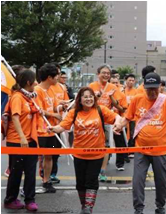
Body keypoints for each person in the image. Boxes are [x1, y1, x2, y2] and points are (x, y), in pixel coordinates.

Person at [114, 72, 166, 214]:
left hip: (161, 150)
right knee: (138, 181)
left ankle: (160, 207)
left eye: (155, 88)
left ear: (160, 87)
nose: (152, 92)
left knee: (162, 181)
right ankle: (138, 209)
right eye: (149, 89)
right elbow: (127, 117)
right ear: (144, 87)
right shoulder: (137, 99)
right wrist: (119, 125)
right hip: (141, 149)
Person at [48, 87, 122, 214]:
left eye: (91, 96)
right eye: (85, 97)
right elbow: (62, 126)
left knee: (91, 182)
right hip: (79, 154)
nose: (89, 99)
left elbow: (116, 117)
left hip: (97, 155)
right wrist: (53, 128)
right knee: (80, 184)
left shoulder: (100, 110)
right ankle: (84, 206)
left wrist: (118, 124)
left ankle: (88, 208)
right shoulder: (74, 112)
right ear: (80, 100)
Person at [3, 70, 39, 211]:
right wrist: (22, 137)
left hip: (30, 140)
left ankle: (30, 200)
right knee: (16, 171)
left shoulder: (28, 97)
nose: (36, 83)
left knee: (30, 171)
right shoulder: (17, 97)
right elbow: (15, 117)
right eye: (34, 81)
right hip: (17, 140)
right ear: (29, 82)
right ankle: (10, 200)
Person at [88, 64, 121, 181]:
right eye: (104, 73)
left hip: (106, 120)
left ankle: (102, 172)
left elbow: (118, 105)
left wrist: (111, 97)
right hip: (92, 120)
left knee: (106, 146)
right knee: (92, 145)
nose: (106, 75)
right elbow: (86, 102)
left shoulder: (112, 86)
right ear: (98, 74)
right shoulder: (92, 86)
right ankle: (92, 171)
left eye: (108, 73)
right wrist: (96, 97)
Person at [35, 63, 64, 193]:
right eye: (56, 75)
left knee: (49, 156)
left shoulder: (52, 89)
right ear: (49, 77)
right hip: (40, 131)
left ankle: (46, 181)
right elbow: (39, 110)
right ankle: (29, 183)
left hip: (52, 130)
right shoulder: (37, 90)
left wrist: (62, 107)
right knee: (36, 158)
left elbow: (54, 106)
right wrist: (54, 114)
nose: (58, 77)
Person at [109, 76, 129, 170]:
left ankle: (120, 164)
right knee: (105, 143)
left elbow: (124, 109)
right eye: (113, 82)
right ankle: (106, 159)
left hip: (118, 122)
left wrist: (116, 105)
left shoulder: (121, 95)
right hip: (106, 122)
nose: (115, 85)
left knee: (119, 143)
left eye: (116, 82)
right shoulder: (104, 94)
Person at [124, 73, 137, 158]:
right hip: (124, 115)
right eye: (129, 80)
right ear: (126, 81)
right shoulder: (122, 90)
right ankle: (124, 151)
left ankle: (131, 150)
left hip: (133, 116)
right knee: (124, 133)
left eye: (133, 80)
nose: (131, 82)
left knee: (133, 133)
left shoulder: (136, 91)